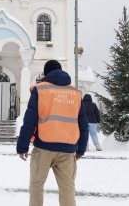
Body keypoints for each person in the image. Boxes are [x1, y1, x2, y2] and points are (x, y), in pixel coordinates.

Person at [17, 60, 89, 206]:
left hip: (44, 147)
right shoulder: (75, 93)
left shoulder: (40, 90)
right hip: (68, 150)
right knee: (67, 188)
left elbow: (30, 120)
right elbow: (83, 123)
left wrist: (22, 146)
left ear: (45, 73)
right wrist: (81, 149)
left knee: (37, 186)